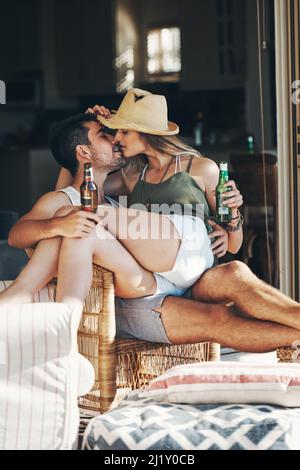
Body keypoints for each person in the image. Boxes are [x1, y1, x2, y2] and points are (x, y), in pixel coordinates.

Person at [3, 103, 300, 352]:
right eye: (108, 134)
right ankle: (63, 325)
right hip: (150, 285)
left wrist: (230, 221)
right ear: (84, 151)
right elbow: (23, 230)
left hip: (184, 262)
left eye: (120, 131)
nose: (116, 139)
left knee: (234, 272)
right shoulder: (117, 185)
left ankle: (62, 321)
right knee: (82, 219)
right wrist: (59, 221)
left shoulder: (122, 186)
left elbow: (233, 245)